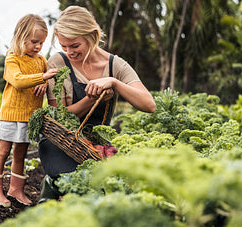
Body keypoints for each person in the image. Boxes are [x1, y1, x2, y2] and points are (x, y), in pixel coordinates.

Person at [38, 5, 156, 203]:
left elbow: (149, 105)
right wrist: (91, 99)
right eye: (64, 46)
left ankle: (55, 186)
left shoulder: (114, 65)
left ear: (92, 36)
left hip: (96, 145)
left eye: (75, 45)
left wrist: (114, 82)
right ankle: (53, 184)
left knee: (112, 187)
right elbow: (59, 118)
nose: (69, 52)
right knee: (78, 183)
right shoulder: (58, 63)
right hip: (61, 142)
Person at [0, 14, 58, 207]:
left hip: (30, 116)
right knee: (3, 151)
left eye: (41, 43)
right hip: (11, 115)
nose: (37, 46)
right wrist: (42, 77)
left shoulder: (41, 60)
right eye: (34, 41)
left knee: (21, 154)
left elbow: (45, 81)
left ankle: (16, 189)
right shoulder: (13, 59)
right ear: (21, 37)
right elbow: (18, 81)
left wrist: (44, 83)